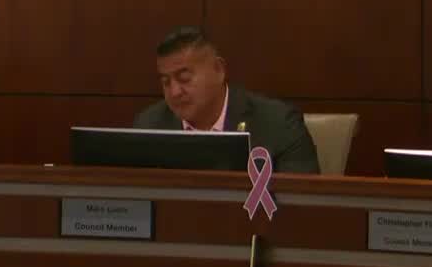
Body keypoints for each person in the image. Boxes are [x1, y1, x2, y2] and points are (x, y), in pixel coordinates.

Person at [131, 27, 319, 174]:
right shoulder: (149, 126)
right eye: (166, 82)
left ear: (219, 70)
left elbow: (302, 203)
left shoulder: (278, 123)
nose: (174, 92)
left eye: (184, 78)